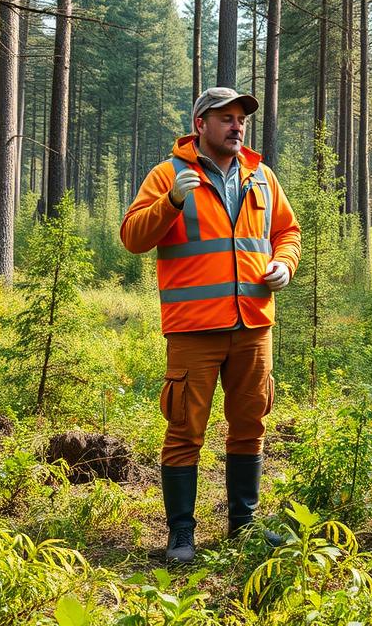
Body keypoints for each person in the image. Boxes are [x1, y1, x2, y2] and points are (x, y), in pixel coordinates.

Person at [121, 87, 301, 562]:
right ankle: (181, 533)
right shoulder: (167, 175)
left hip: (253, 326)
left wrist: (285, 262)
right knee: (184, 429)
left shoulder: (262, 176)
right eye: (226, 118)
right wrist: (170, 204)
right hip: (194, 329)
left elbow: (287, 231)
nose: (236, 125)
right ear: (200, 124)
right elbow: (133, 238)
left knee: (250, 426)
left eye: (241, 118)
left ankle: (243, 525)